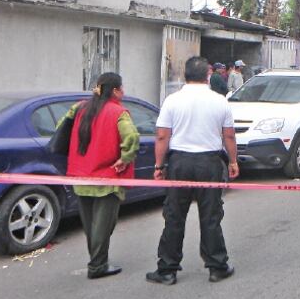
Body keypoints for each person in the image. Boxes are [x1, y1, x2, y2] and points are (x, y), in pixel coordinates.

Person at [146, 57, 239, 285]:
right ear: (207, 75)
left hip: (179, 162)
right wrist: (233, 161)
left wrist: (159, 165)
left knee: (174, 216)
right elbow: (229, 135)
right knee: (211, 216)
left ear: (184, 75)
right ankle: (217, 267)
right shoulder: (220, 101)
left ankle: (167, 269)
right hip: (209, 163)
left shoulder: (172, 101)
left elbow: (162, 136)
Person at [59, 72, 138, 279]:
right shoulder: (118, 112)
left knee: (90, 224)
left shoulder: (79, 108)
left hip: (81, 175)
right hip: (106, 178)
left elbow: (61, 129)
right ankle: (97, 266)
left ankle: (96, 261)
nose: (124, 91)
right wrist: (125, 158)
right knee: (103, 226)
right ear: (114, 90)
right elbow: (131, 137)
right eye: (121, 88)